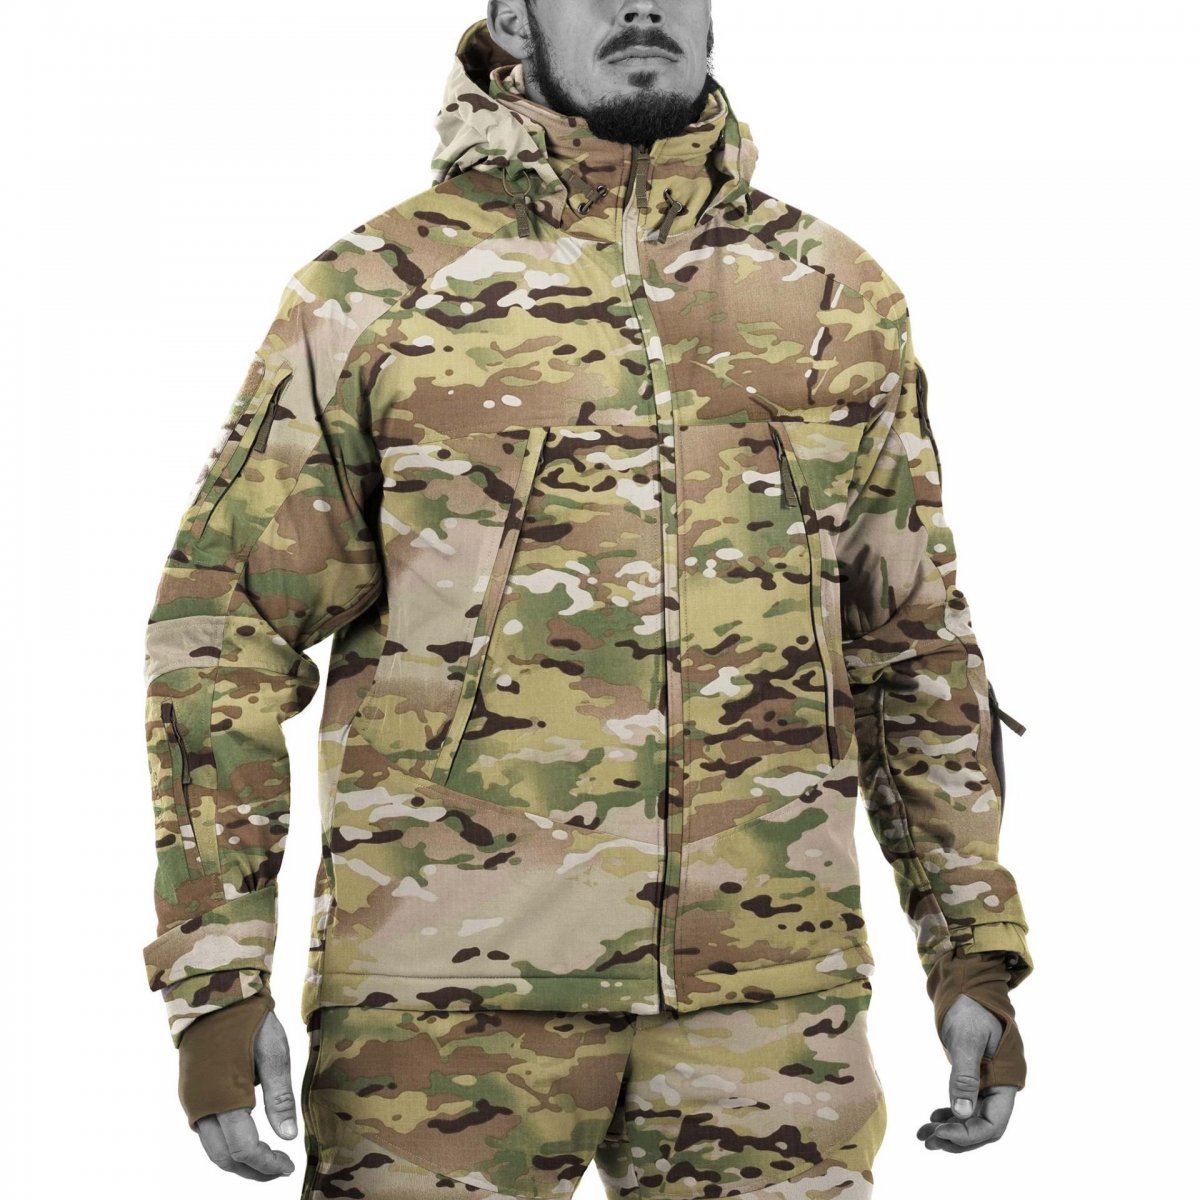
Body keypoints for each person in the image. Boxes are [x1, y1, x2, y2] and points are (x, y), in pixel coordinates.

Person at [140, 3, 1035, 1196]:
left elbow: (912, 645)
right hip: (443, 1011)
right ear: (514, 17)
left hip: (771, 1010)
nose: (640, 4)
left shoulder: (833, 294)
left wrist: (973, 955)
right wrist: (215, 976)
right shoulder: (378, 292)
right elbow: (224, 637)